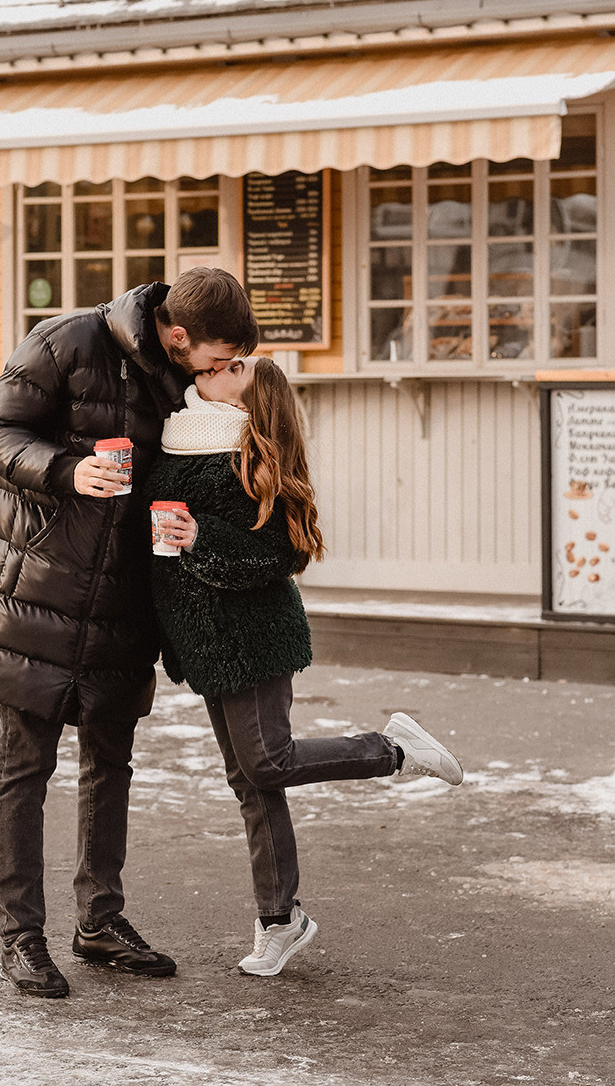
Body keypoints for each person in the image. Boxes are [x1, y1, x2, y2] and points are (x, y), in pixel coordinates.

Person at [0, 268, 259, 998]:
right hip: (40, 590)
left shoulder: (179, 377)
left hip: (128, 598)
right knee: (25, 768)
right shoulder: (67, 338)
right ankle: (21, 936)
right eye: (215, 358)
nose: (219, 373)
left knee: (110, 766)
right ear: (178, 332)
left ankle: (99, 919)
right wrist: (68, 470)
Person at [146, 356, 463, 978]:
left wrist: (200, 537)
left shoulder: (257, 453)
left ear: (250, 397)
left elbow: (285, 552)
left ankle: (392, 748)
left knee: (269, 761)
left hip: (254, 637)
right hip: (202, 640)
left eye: (232, 366)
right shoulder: (177, 431)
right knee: (252, 781)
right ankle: (280, 920)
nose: (214, 369)